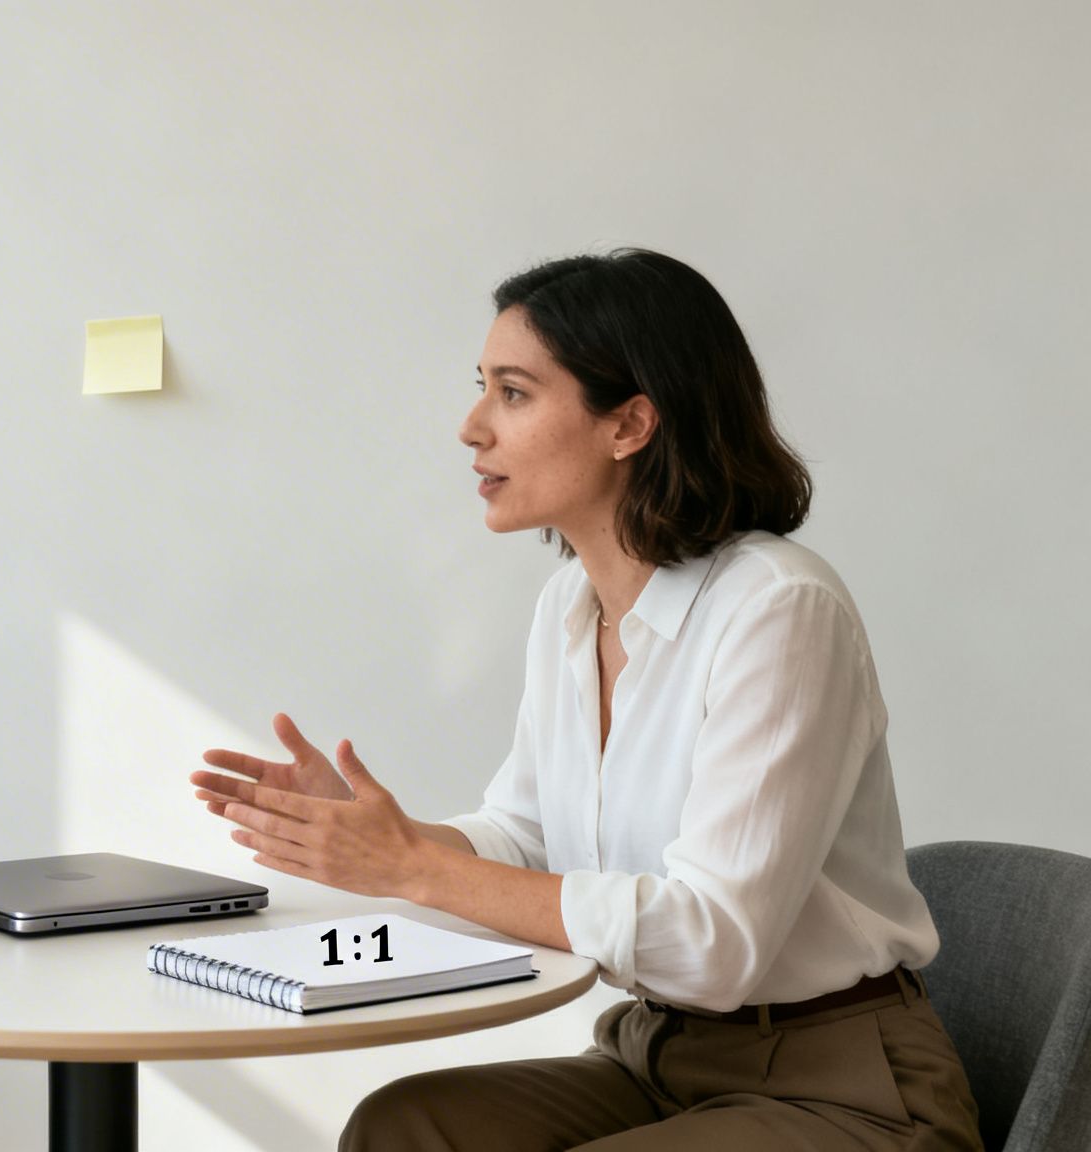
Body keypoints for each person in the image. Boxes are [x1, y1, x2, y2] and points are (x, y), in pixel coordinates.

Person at [192, 249, 982, 1150]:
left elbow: (715, 943)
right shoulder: (571, 610)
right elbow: (526, 837)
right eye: (481, 387)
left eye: (514, 393)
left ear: (630, 423)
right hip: (655, 1059)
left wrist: (413, 864)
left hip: (842, 1090)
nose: (471, 427)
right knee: (403, 1126)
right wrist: (381, 836)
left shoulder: (778, 609)